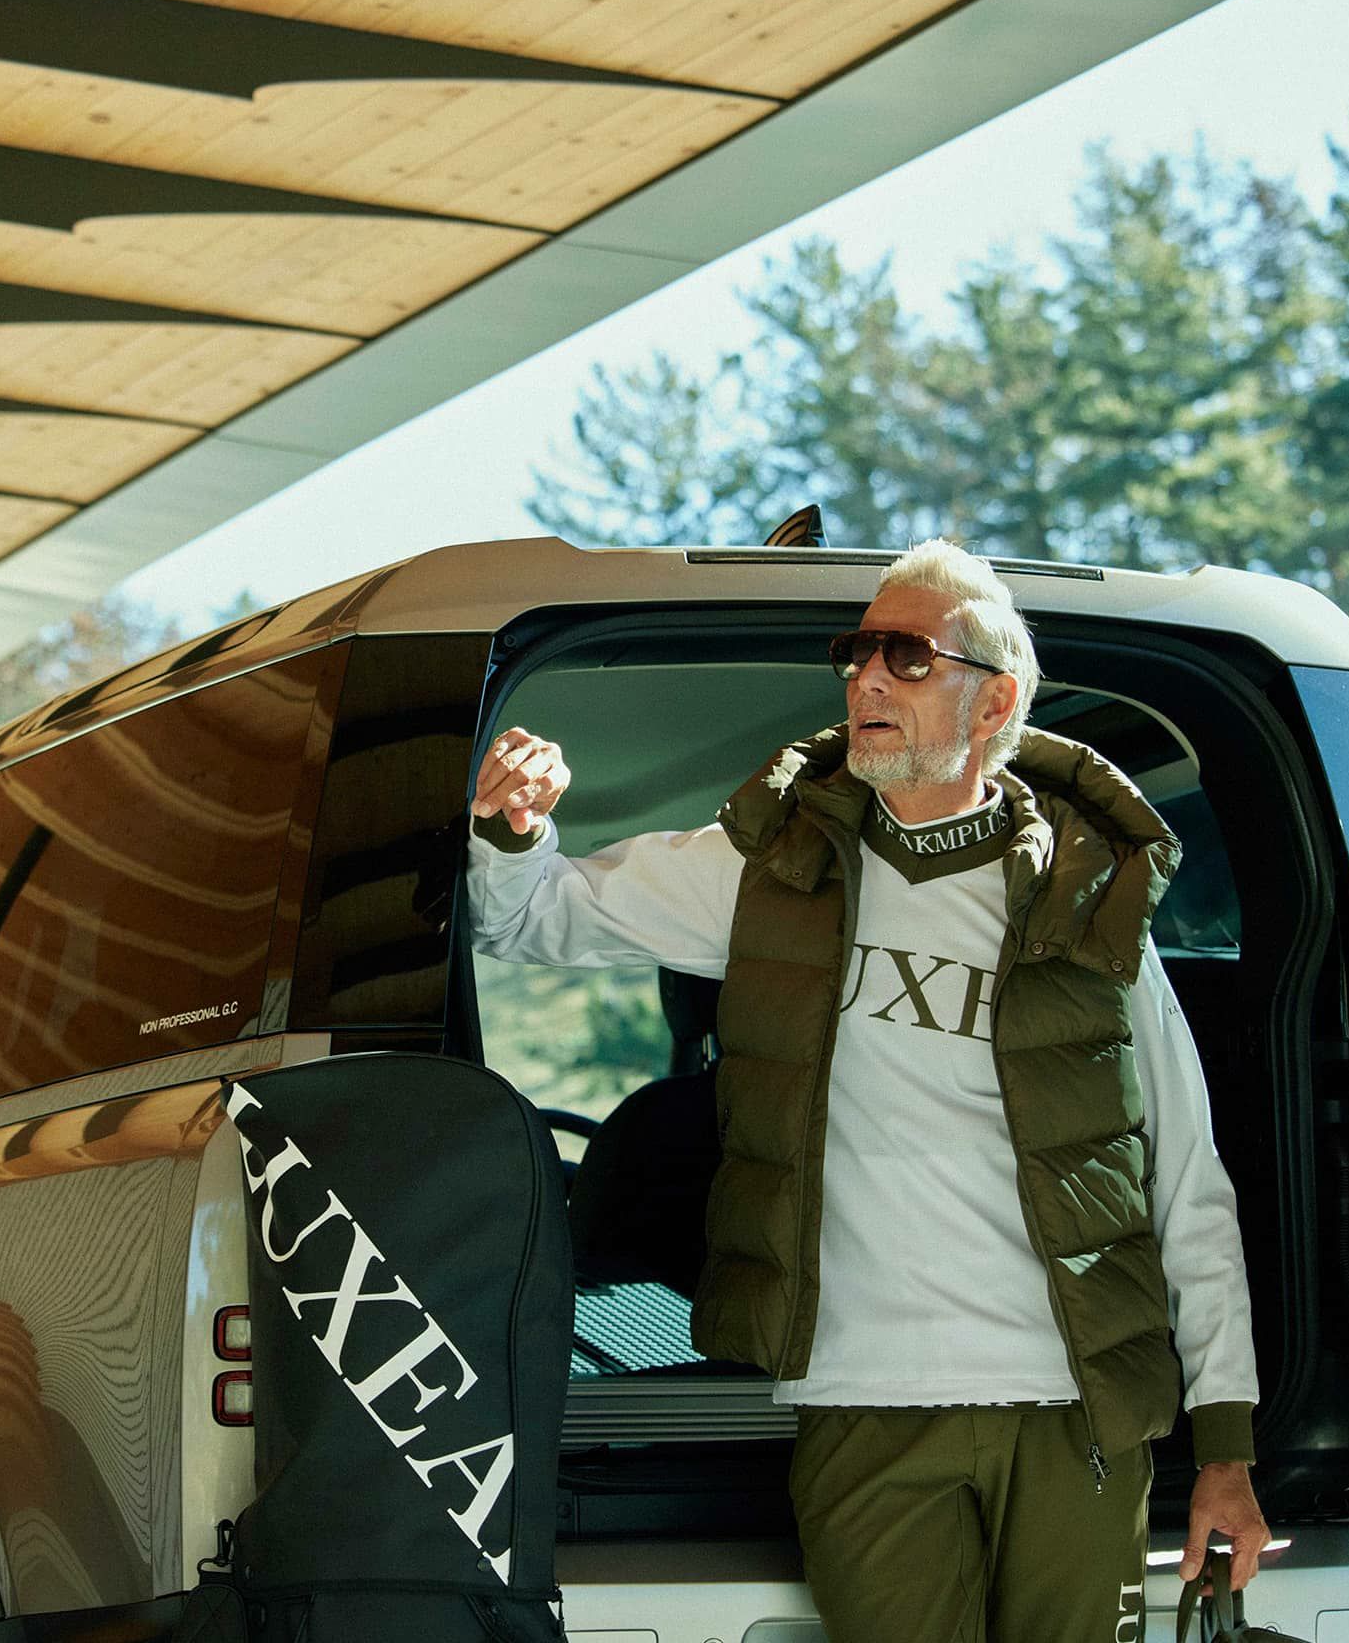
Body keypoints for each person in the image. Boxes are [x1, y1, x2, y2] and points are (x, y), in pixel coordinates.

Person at [466, 539, 1268, 1643]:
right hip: (861, 1407)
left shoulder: (1091, 898)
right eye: (857, 652)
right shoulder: (767, 871)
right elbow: (525, 915)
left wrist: (1226, 1446)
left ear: (995, 704)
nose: (866, 678)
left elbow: (1187, 1182)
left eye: (906, 656)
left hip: (1072, 1410)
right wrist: (512, 830)